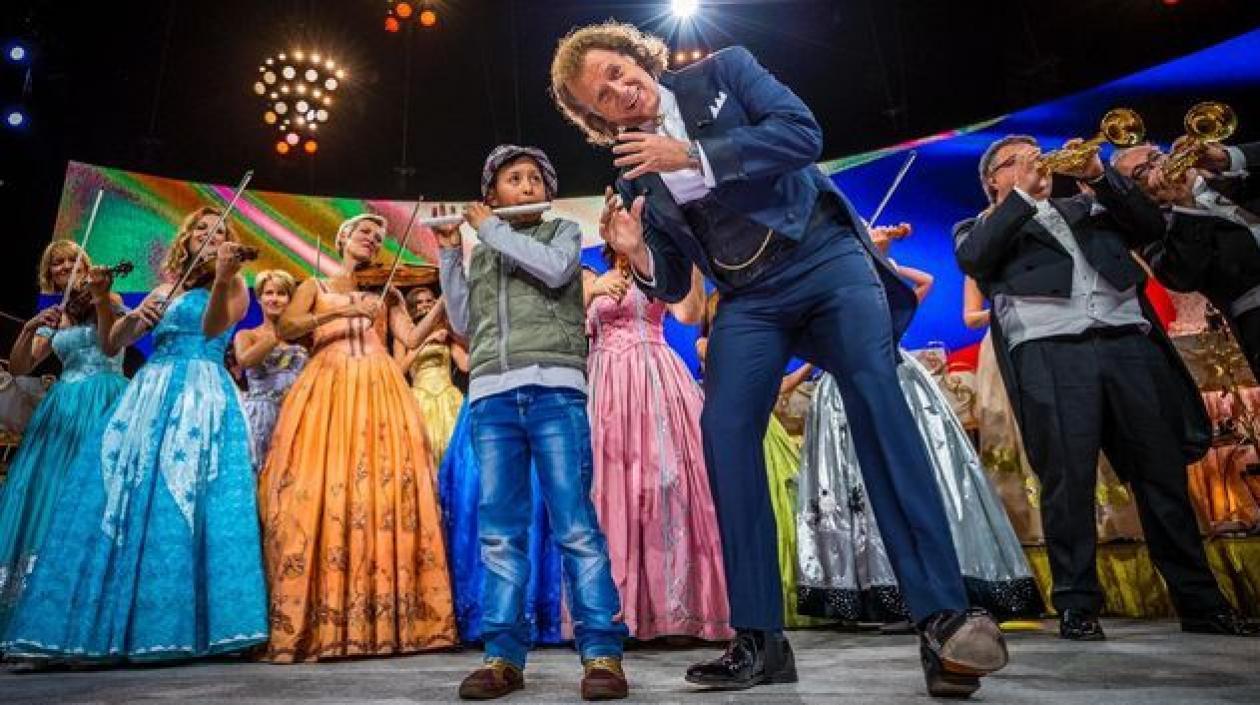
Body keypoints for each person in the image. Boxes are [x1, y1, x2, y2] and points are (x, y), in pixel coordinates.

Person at [551, 22, 1005, 697]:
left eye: (618, 71)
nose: (620, 91)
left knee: (877, 403)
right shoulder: (631, 173)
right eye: (603, 97)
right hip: (747, 299)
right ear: (597, 119)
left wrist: (693, 154)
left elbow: (801, 135)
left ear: (636, 56)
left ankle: (944, 622)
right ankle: (759, 638)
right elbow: (672, 282)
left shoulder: (725, 72)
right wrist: (638, 249)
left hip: (823, 258)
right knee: (724, 432)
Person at [954, 134, 1257, 639]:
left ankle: (1202, 603)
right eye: (1018, 160)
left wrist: (1099, 174)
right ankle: (1077, 605)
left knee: (1161, 477)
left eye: (1037, 154)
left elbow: (1148, 225)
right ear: (993, 178)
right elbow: (976, 260)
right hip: (1052, 352)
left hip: (1126, 344)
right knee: (1067, 481)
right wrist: (1022, 196)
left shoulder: (1089, 205)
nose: (1036, 163)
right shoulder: (978, 226)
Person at [2, 208, 269, 660]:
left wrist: (224, 276)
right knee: (126, 499)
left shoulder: (234, 283)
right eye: (202, 229)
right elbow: (113, 343)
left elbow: (212, 328)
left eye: (219, 230)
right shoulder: (164, 289)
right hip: (149, 393)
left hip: (200, 392)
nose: (210, 235)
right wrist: (125, 312)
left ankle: (181, 626)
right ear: (186, 238)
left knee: (188, 497)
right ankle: (113, 625)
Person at [437, 145, 629, 701]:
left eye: (534, 179)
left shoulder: (561, 233)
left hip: (554, 390)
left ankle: (602, 654)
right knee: (500, 532)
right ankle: (502, 657)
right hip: (491, 397)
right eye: (512, 179)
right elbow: (463, 320)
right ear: (490, 194)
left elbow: (553, 269)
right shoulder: (484, 252)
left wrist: (489, 230)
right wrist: (450, 253)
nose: (526, 187)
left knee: (575, 526)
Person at [795, 228, 1042, 626]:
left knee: (926, 470)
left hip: (895, 373)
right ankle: (873, 586)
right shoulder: (825, 276)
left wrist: (883, 259)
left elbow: (922, 284)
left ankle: (943, 583)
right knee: (857, 480)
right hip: (845, 378)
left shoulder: (882, 274)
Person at [257, 213, 457, 662]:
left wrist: (446, 297)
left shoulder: (387, 292)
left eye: (380, 236)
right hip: (328, 386)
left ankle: (383, 619)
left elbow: (411, 336)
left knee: (381, 493)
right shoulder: (315, 285)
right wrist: (345, 310)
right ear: (343, 237)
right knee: (322, 489)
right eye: (365, 231)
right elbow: (287, 327)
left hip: (379, 387)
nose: (373, 239)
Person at [583, 251, 731, 642]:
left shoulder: (659, 274)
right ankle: (612, 611)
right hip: (605, 387)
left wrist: (692, 259)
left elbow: (689, 313)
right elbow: (565, 319)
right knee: (607, 492)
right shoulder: (589, 276)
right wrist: (594, 290)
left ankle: (672, 610)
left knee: (665, 486)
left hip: (652, 381)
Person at [0, 242, 128, 635]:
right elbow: (21, 366)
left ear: (87, 266)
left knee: (93, 490)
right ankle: (35, 603)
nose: (66, 266)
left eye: (73, 260)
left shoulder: (109, 299)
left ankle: (86, 599)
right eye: (58, 263)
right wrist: (29, 328)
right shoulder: (58, 314)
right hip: (62, 406)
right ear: (50, 274)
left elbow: (110, 343)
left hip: (104, 396)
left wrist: (101, 298)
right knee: (49, 491)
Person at [1113, 140, 1260, 378]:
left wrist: (1227, 157)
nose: (1158, 167)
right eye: (1141, 172)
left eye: (1155, 158)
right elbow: (1182, 276)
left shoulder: (1232, 177)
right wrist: (1185, 206)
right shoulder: (1152, 230)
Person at [234, 269, 308, 465]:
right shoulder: (247, 335)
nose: (274, 299)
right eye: (269, 293)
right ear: (259, 298)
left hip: (294, 415)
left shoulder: (303, 341)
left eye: (281, 294)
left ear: (290, 300)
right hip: (260, 416)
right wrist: (277, 335)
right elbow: (244, 361)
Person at [394, 285, 465, 468]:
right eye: (419, 302)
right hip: (420, 400)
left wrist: (455, 335)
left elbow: (465, 365)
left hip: (448, 399)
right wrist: (426, 339)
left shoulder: (445, 332)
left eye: (429, 301)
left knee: (453, 449)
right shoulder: (403, 334)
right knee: (422, 451)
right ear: (412, 307)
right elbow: (398, 370)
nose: (425, 305)